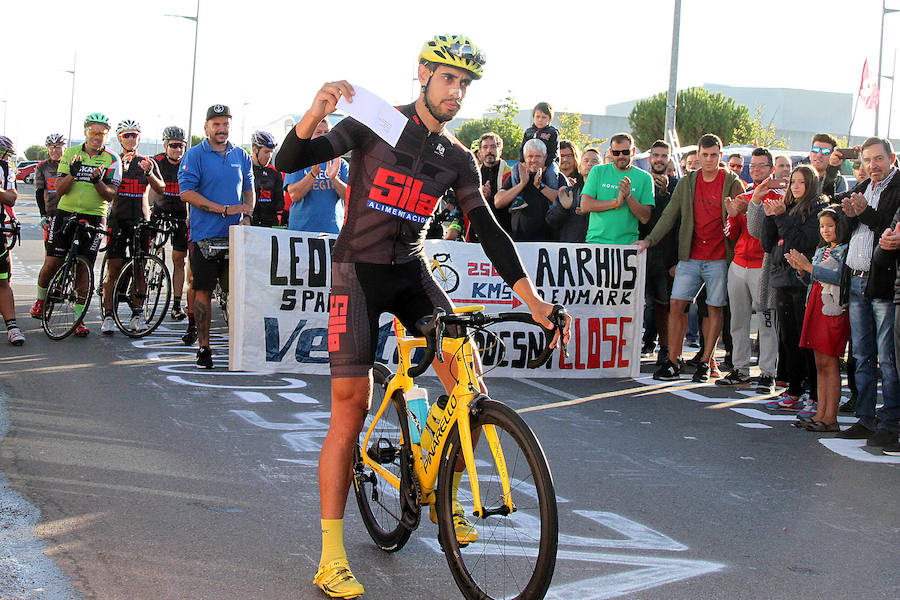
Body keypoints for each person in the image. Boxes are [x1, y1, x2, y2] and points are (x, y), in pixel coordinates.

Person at [273, 34, 569, 599]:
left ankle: (443, 488)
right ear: (423, 75)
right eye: (448, 79)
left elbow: (487, 231)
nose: (456, 91)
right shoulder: (377, 123)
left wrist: (533, 302)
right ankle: (331, 556)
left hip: (411, 273)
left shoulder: (458, 159)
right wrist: (315, 111)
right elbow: (292, 160)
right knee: (350, 409)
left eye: (464, 84)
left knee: (467, 376)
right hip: (356, 274)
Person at [637, 134, 744, 382]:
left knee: (714, 308)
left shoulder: (731, 182)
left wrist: (735, 215)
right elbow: (669, 215)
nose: (709, 160)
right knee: (676, 305)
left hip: (719, 257)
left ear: (720, 154)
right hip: (690, 256)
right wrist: (649, 240)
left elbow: (743, 216)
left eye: (714, 155)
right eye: (704, 155)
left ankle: (705, 361)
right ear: (698, 154)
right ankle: (672, 361)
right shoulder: (688, 182)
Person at [29, 113, 121, 337]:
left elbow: (110, 196)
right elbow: (59, 190)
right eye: (93, 132)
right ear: (85, 132)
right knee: (52, 263)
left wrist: (96, 180)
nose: (97, 137)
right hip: (66, 213)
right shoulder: (71, 153)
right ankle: (41, 300)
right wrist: (73, 174)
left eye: (101, 133)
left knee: (84, 268)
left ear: (106, 135)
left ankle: (79, 318)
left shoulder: (112, 159)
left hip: (94, 216)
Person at [834, 137, 900, 447]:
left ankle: (889, 421)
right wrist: (848, 215)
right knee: (862, 354)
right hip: (856, 280)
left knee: (887, 357)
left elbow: (890, 229)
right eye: (867, 161)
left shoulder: (897, 187)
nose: (872, 166)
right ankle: (865, 418)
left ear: (892, 158)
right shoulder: (861, 188)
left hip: (883, 283)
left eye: (878, 159)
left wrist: (864, 214)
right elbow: (846, 232)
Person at [178, 104, 254, 367]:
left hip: (235, 237)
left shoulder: (241, 155)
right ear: (207, 127)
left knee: (238, 293)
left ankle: (240, 347)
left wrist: (246, 215)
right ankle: (204, 347)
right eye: (216, 124)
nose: (221, 129)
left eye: (225, 124)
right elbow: (186, 193)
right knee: (203, 291)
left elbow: (248, 190)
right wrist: (222, 209)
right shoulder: (195, 155)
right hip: (204, 237)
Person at [760, 165, 825, 411]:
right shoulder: (785, 207)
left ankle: (812, 392)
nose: (795, 187)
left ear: (811, 184)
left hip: (801, 280)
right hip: (780, 277)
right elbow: (768, 244)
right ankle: (793, 390)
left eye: (801, 182)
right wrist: (770, 215)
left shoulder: (816, 208)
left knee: (803, 338)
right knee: (787, 338)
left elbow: (801, 241)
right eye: (793, 182)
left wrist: (781, 217)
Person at [716, 147, 779, 392]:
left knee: (766, 320)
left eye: (761, 166)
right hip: (739, 263)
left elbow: (767, 232)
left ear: (771, 169)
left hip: (763, 264)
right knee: (738, 321)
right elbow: (731, 234)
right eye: (752, 166)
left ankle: (767, 373)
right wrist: (731, 216)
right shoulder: (745, 194)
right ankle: (740, 369)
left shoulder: (779, 195)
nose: (755, 170)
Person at [785, 207, 849, 431]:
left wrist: (808, 267)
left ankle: (830, 417)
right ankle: (820, 412)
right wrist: (801, 271)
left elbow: (840, 278)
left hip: (833, 309)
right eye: (822, 226)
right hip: (815, 305)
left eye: (830, 225)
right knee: (819, 363)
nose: (825, 230)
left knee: (830, 362)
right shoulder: (822, 249)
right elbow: (810, 281)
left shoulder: (844, 250)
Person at [100, 120, 164, 335]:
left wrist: (149, 174)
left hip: (140, 220)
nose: (131, 139)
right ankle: (109, 315)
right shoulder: (112, 161)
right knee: (114, 268)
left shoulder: (147, 162)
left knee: (139, 269)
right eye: (126, 135)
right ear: (119, 138)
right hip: (118, 219)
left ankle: (137, 314)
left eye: (134, 135)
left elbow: (160, 188)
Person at [640, 140, 678, 362]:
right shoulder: (640, 181)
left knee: (665, 305)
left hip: (667, 255)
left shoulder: (677, 185)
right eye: (656, 155)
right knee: (639, 304)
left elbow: (679, 222)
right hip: (641, 251)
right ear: (650, 158)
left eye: (664, 156)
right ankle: (640, 344)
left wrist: (678, 259)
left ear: (669, 158)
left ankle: (665, 350)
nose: (659, 159)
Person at [580, 132, 653, 245]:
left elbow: (645, 217)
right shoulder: (598, 171)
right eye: (616, 153)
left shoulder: (645, 178)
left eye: (625, 152)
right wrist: (615, 203)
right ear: (610, 152)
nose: (621, 156)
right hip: (596, 242)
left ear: (633, 151)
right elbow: (585, 205)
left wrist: (628, 196)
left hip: (627, 245)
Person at [150, 126, 191, 323]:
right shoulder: (156, 162)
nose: (178, 150)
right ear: (165, 145)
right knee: (149, 250)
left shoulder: (189, 163)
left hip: (181, 215)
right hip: (159, 212)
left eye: (181, 146)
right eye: (174, 146)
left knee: (179, 259)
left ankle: (176, 304)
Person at [284, 118, 348, 234]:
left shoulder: (340, 163)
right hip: (301, 232)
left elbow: (351, 198)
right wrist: (312, 174)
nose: (323, 136)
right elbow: (294, 195)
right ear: (310, 136)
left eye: (327, 133)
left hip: (332, 233)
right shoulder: (297, 161)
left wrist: (334, 179)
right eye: (318, 132)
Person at [494, 138, 564, 241]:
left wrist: (541, 187)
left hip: (549, 243)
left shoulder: (556, 176)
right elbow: (498, 202)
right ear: (524, 157)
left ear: (545, 157)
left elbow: (565, 202)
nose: (533, 160)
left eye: (538, 156)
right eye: (530, 156)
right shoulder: (517, 176)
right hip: (520, 242)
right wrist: (521, 184)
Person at [545, 147, 601, 242]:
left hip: (599, 248)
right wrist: (563, 209)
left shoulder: (609, 195)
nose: (589, 164)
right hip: (571, 251)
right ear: (579, 167)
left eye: (594, 161)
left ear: (603, 167)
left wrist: (591, 209)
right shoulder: (568, 193)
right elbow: (551, 221)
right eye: (586, 161)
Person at [0, 136, 24, 345]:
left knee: (2, 280)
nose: (6, 157)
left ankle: (12, 327)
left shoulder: (7, 168)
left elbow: (11, 197)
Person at [475, 131, 511, 233]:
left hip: (503, 228)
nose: (489, 150)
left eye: (493, 147)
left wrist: (490, 197)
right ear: (480, 152)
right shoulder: (473, 174)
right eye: (485, 147)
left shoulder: (510, 175)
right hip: (478, 229)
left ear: (500, 151)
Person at [249, 131, 285, 227]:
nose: (269, 156)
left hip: (270, 224)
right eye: (266, 152)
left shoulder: (274, 173)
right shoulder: (244, 169)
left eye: (271, 152)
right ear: (255, 149)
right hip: (249, 222)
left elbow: (280, 204)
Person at [808, 133, 848, 198]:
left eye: (825, 152)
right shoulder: (800, 176)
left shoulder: (839, 181)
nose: (819, 155)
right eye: (815, 150)